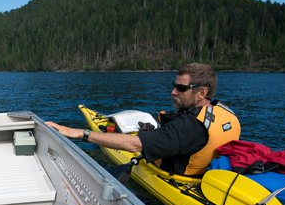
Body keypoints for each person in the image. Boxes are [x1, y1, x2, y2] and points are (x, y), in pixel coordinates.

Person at [46, 63, 241, 177]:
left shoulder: (187, 127)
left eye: (180, 88)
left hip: (177, 175)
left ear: (202, 93)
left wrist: (79, 132)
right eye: (174, 85)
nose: (173, 91)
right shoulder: (223, 111)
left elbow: (133, 144)